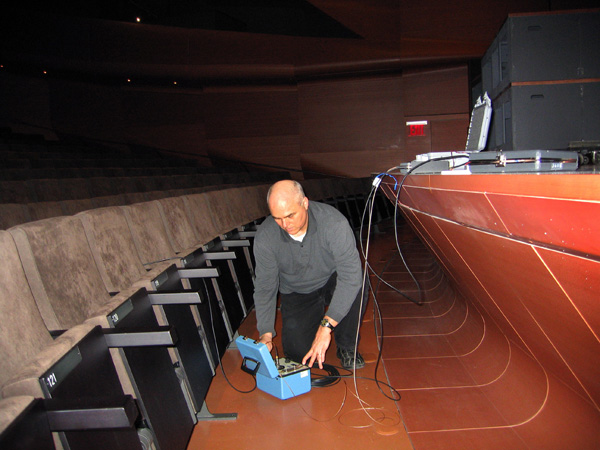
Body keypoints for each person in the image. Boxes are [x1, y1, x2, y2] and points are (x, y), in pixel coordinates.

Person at [253, 179, 366, 370]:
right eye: (277, 218)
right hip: (297, 290)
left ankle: (347, 346)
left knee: (358, 282)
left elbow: (350, 276)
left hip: (332, 279)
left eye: (290, 215)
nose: (285, 224)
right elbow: (265, 288)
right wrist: (265, 332)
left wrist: (326, 326)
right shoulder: (266, 237)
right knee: (298, 354)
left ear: (305, 203)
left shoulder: (334, 223)